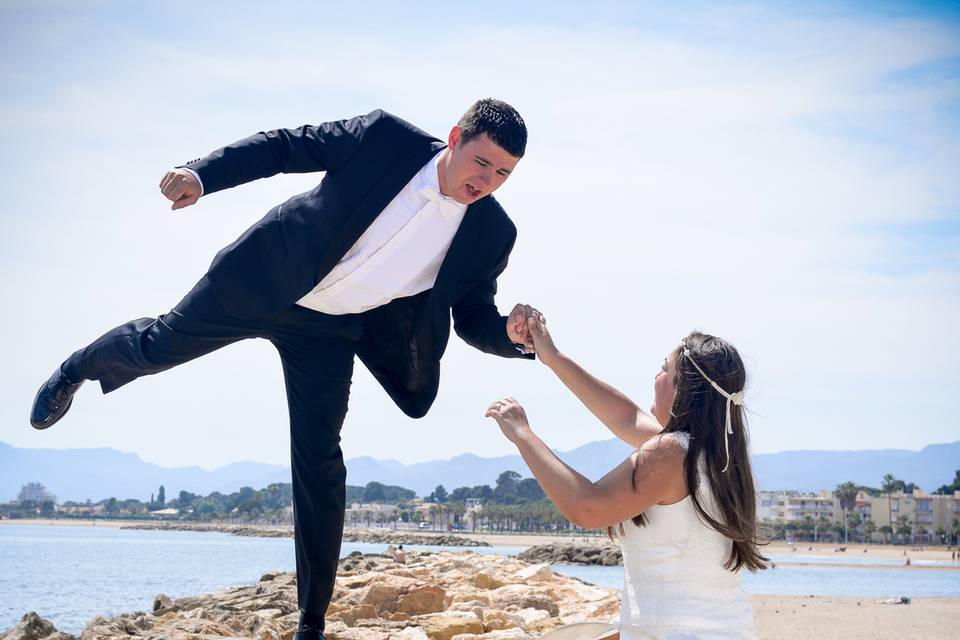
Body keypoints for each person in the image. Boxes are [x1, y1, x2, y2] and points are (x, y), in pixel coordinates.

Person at [30, 99, 536, 640]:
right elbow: (284, 146)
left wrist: (508, 333)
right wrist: (202, 175)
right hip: (265, 279)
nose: (488, 180)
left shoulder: (492, 233)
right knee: (158, 347)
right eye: (482, 163)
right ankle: (76, 368)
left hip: (329, 329)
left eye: (504, 173)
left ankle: (311, 622)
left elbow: (474, 314)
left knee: (319, 463)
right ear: (456, 137)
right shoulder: (385, 138)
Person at [486, 314, 766, 639]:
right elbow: (627, 418)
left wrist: (522, 434)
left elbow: (587, 507)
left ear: (684, 389)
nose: (656, 376)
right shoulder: (721, 457)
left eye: (665, 368)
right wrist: (552, 357)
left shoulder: (670, 453)